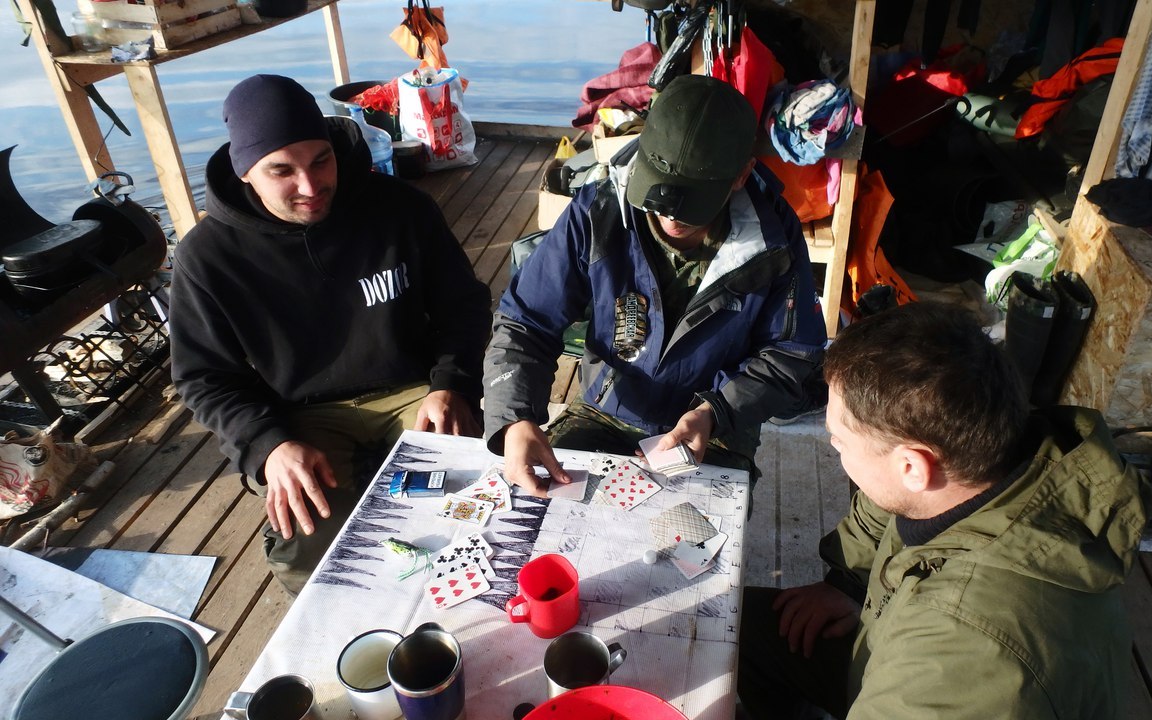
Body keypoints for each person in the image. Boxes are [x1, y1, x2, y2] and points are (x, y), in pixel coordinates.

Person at [737, 302, 1147, 719]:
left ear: (913, 467)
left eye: (839, 440)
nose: (832, 447)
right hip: (886, 643)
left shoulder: (962, 653)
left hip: (934, 673)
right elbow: (883, 509)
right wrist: (846, 582)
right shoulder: (989, 453)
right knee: (740, 628)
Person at [169, 74, 490, 593]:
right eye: (282, 170)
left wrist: (450, 382)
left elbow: (464, 303)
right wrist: (269, 446)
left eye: (321, 159)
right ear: (246, 171)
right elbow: (204, 378)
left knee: (466, 497)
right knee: (317, 552)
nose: (310, 185)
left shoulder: (401, 208)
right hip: (301, 415)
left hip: (414, 388)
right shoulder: (206, 257)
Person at [483, 74, 826, 495]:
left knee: (693, 540)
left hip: (715, 424)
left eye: (691, 201)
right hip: (604, 410)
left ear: (741, 175)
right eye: (658, 194)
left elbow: (790, 353)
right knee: (549, 511)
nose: (669, 214)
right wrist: (514, 417)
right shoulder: (597, 211)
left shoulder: (775, 240)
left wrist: (715, 413)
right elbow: (524, 321)